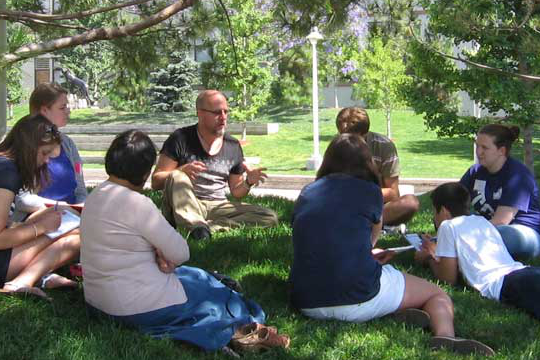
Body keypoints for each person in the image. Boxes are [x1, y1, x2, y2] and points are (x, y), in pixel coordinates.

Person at [80, 130, 289, 352]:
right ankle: (245, 328)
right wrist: (159, 251)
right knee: (216, 293)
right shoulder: (137, 204)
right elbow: (181, 253)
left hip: (98, 302)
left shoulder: (95, 196)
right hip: (138, 307)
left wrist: (155, 251)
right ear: (144, 170)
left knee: (196, 275)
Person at [289, 133, 494, 356]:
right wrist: (367, 254)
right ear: (368, 162)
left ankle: (395, 312)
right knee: (437, 295)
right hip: (357, 295)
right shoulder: (370, 192)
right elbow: (369, 242)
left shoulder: (307, 193)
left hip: (305, 300)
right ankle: (446, 337)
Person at [151, 90, 278, 240]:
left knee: (269, 217)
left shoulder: (233, 145)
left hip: (217, 205)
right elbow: (156, 182)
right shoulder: (180, 138)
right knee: (177, 175)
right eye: (217, 112)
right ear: (200, 113)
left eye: (226, 112)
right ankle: (196, 226)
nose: (223, 117)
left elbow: (236, 191)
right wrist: (181, 170)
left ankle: (208, 228)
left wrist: (248, 182)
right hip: (185, 204)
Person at [416, 182, 540, 320]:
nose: (434, 217)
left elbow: (448, 278)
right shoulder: (481, 221)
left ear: (444, 211)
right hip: (523, 271)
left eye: (434, 211)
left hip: (505, 283)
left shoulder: (447, 226)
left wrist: (428, 258)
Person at [0, 114, 81, 298]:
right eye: (44, 153)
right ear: (28, 148)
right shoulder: (7, 173)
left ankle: (40, 277)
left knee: (59, 216)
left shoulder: (4, 165)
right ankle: (21, 282)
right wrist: (41, 228)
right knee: (77, 238)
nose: (46, 161)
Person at [460, 124, 540, 258]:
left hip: (523, 233)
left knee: (500, 235)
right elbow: (454, 201)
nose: (478, 152)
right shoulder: (475, 171)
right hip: (490, 230)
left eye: (484, 147)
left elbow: (501, 221)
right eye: (477, 145)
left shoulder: (518, 176)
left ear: (501, 151)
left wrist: (461, 233)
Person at [14, 83, 86, 219]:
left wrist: (82, 211)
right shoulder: (25, 145)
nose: (68, 111)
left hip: (72, 220)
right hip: (35, 222)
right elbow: (22, 199)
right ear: (44, 111)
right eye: (62, 107)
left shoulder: (68, 144)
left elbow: (80, 190)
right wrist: (61, 207)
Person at [335, 107, 419, 226]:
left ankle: (366, 223)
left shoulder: (384, 147)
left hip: (376, 205)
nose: (348, 141)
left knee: (410, 203)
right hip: (346, 206)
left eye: (354, 138)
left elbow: (392, 193)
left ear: (365, 133)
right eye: (343, 136)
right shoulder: (337, 147)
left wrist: (361, 195)